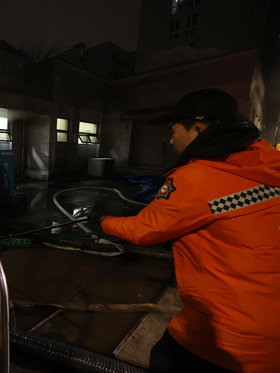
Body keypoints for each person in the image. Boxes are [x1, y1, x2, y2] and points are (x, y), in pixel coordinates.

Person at [98, 88, 280, 373]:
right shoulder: (269, 165)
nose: (171, 141)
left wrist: (101, 221)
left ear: (198, 129)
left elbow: (144, 230)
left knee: (165, 358)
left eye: (173, 131)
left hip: (231, 333)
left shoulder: (199, 177)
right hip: (271, 333)